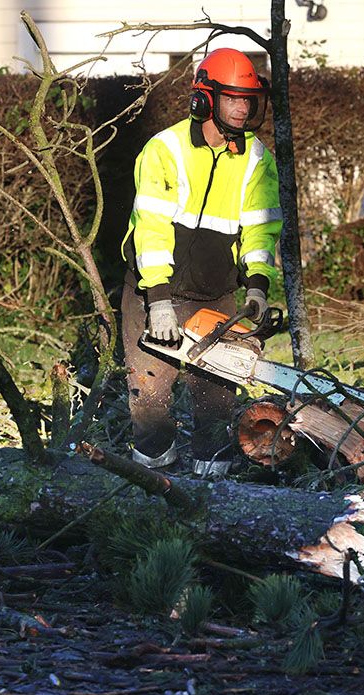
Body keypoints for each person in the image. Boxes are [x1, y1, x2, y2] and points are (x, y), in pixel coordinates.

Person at [120, 47, 282, 478]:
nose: (243, 107)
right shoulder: (165, 150)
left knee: (216, 398)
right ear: (204, 98)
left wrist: (257, 286)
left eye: (248, 99)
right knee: (151, 396)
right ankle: (151, 487)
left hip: (216, 292)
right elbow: (150, 227)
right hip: (153, 288)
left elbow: (261, 228)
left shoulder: (256, 159)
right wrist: (157, 299)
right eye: (233, 98)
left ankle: (214, 497)